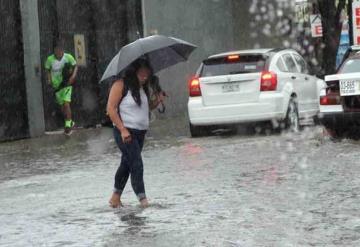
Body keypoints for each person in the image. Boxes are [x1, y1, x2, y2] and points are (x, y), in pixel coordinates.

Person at [107, 59, 164, 208]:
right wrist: (123, 130)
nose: (145, 76)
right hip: (125, 132)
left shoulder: (142, 88)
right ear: (134, 71)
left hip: (140, 133)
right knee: (137, 163)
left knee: (126, 163)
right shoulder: (120, 85)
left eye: (147, 73)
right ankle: (143, 200)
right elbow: (111, 109)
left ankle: (115, 198)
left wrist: (157, 101)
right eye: (142, 72)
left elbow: (144, 109)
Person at [45, 44, 78, 135]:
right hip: (57, 86)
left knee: (66, 103)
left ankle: (68, 125)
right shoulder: (49, 60)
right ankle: (70, 121)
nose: (59, 53)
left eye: (60, 50)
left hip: (67, 84)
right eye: (57, 50)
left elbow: (75, 66)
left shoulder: (68, 57)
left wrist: (73, 76)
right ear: (54, 51)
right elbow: (47, 70)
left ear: (63, 50)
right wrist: (49, 79)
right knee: (62, 106)